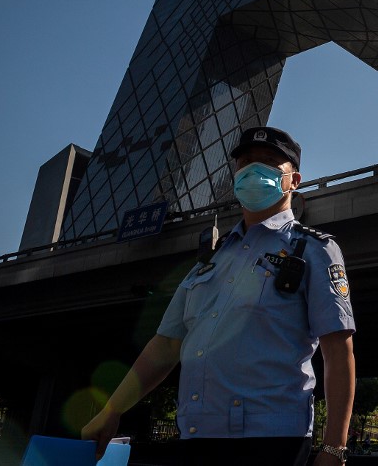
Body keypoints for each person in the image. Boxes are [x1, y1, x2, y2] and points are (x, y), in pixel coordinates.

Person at [82, 126, 356, 466]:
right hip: (197, 436)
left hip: (270, 443)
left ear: (294, 180)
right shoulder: (209, 259)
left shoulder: (314, 250)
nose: (255, 170)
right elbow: (166, 345)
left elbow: (338, 351)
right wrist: (112, 409)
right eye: (246, 162)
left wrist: (334, 448)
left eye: (270, 162)